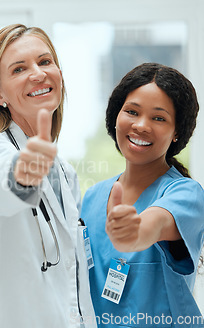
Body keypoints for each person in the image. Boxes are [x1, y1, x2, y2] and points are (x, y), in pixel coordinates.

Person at [0, 24, 97, 327]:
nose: (37, 73)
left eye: (45, 61)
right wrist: (22, 176)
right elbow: (1, 188)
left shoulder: (64, 173)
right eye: (19, 69)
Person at [81, 63, 204, 327]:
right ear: (116, 116)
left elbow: (156, 222)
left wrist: (136, 234)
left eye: (158, 118)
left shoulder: (186, 194)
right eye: (132, 112)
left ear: (177, 132)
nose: (141, 125)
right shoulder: (92, 198)